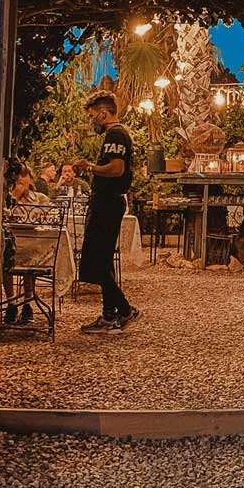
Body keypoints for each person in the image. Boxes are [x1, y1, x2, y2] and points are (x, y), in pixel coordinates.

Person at [73, 92, 138, 332]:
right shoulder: (117, 134)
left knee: (96, 261)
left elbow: (117, 168)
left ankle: (125, 309)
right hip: (107, 201)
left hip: (107, 203)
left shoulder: (116, 134)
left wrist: (89, 166)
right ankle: (109, 314)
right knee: (103, 260)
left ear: (103, 113)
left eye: (92, 116)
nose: (92, 121)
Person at [3, 163, 50, 324]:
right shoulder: (7, 199)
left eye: (24, 175)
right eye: (17, 176)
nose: (20, 179)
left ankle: (27, 303)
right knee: (6, 259)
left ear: (31, 179)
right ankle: (11, 303)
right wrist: (14, 197)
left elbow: (50, 219)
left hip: (33, 247)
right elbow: (3, 218)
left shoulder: (40, 199)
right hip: (11, 248)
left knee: (31, 259)